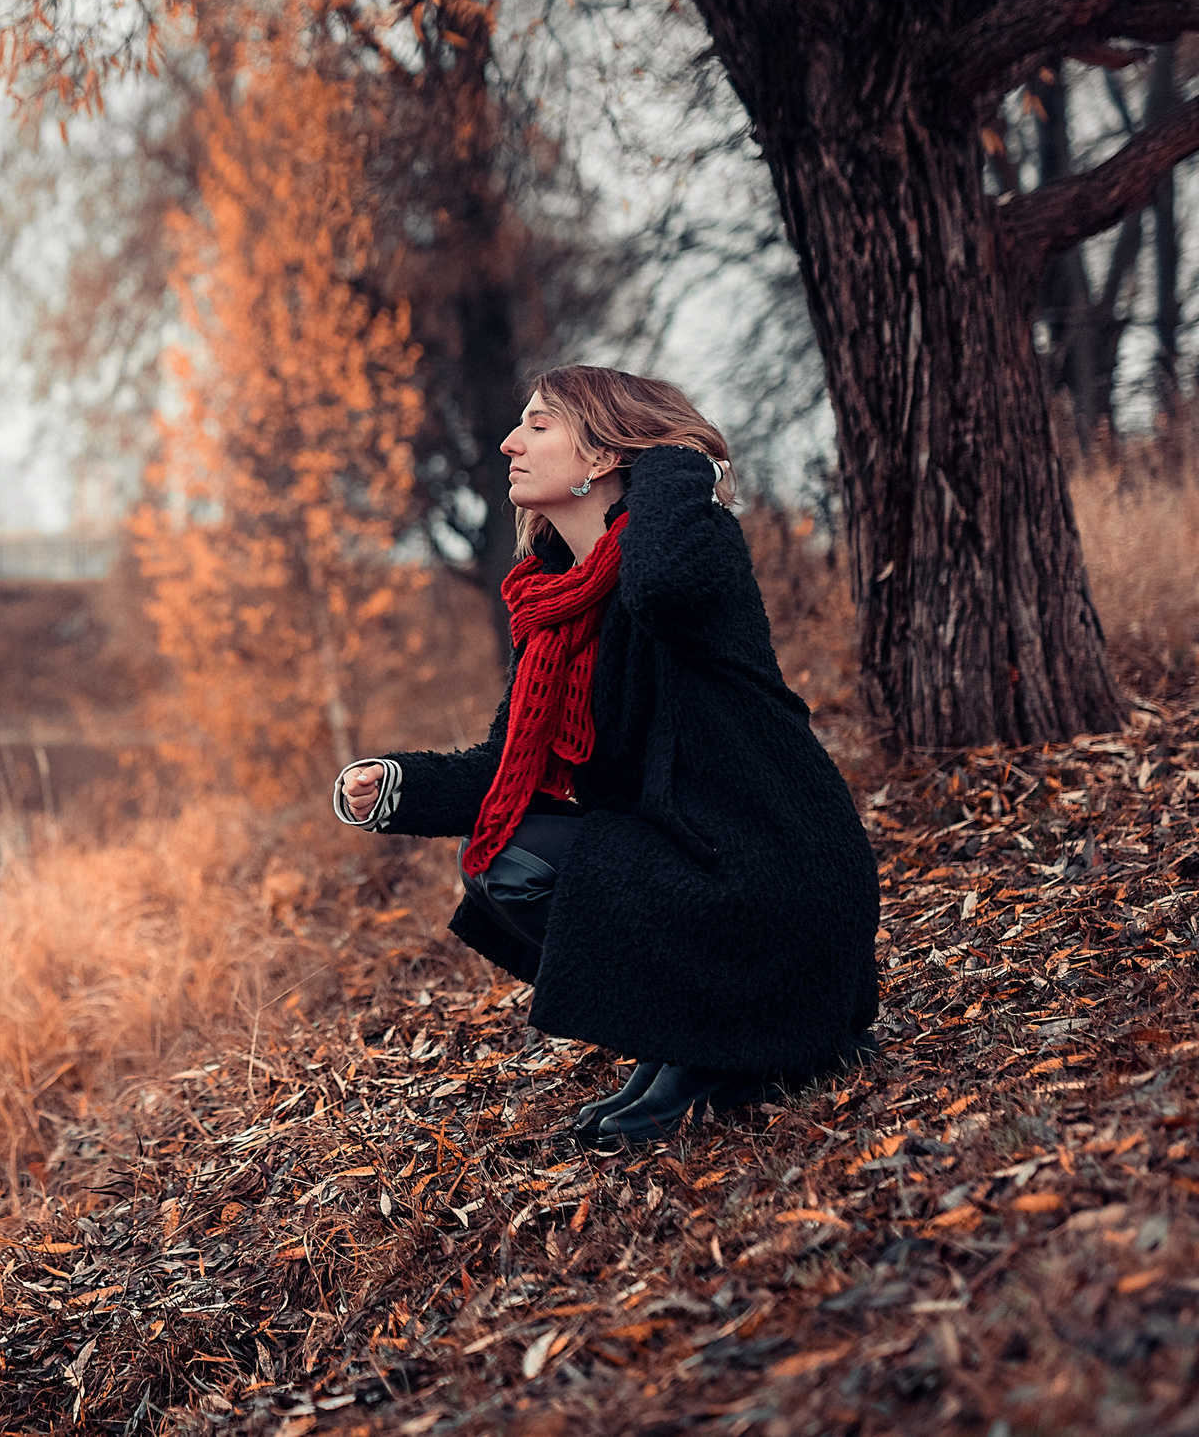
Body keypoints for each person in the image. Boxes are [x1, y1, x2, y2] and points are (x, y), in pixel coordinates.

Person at [334, 366, 880, 1147]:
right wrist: (392, 785)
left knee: (550, 863)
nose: (509, 442)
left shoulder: (696, 547)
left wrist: (673, 459)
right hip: (694, 860)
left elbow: (655, 587)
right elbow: (504, 767)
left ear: (600, 455)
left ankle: (738, 1044)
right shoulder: (558, 607)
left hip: (777, 870)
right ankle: (685, 1042)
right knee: (501, 861)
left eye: (540, 425)